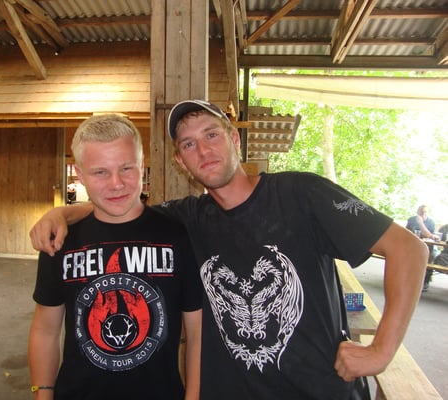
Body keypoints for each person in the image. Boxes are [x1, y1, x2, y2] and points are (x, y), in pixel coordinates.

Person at [30, 100, 428, 400]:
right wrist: (62, 213)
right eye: (189, 144)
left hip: (319, 388)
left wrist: (381, 350)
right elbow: (122, 206)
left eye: (212, 135)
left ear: (234, 139)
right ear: (180, 161)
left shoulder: (301, 193)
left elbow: (408, 249)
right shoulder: (186, 219)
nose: (203, 151)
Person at [28, 114, 202, 400]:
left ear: (142, 165)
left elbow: (196, 332)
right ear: (80, 175)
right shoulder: (60, 240)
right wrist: (43, 394)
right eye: (100, 172)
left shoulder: (177, 236)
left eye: (126, 168)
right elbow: (46, 330)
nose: (116, 183)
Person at [406, 205, 438, 290]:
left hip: (428, 245)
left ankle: (426, 280)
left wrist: (421, 223)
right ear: (417, 212)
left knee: (431, 255)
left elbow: (430, 235)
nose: (423, 214)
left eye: (425, 212)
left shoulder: (431, 222)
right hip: (413, 244)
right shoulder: (411, 220)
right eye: (421, 212)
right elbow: (407, 232)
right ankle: (407, 277)